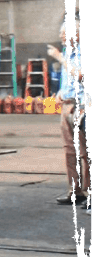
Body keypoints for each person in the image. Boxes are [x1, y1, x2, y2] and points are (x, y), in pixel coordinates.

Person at [48, 18, 88, 206]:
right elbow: (67, 80)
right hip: (66, 105)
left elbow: (79, 75)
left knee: (84, 152)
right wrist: (59, 93)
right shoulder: (67, 53)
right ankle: (75, 191)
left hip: (80, 106)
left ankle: (89, 194)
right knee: (69, 151)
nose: (60, 36)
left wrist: (59, 58)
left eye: (64, 33)